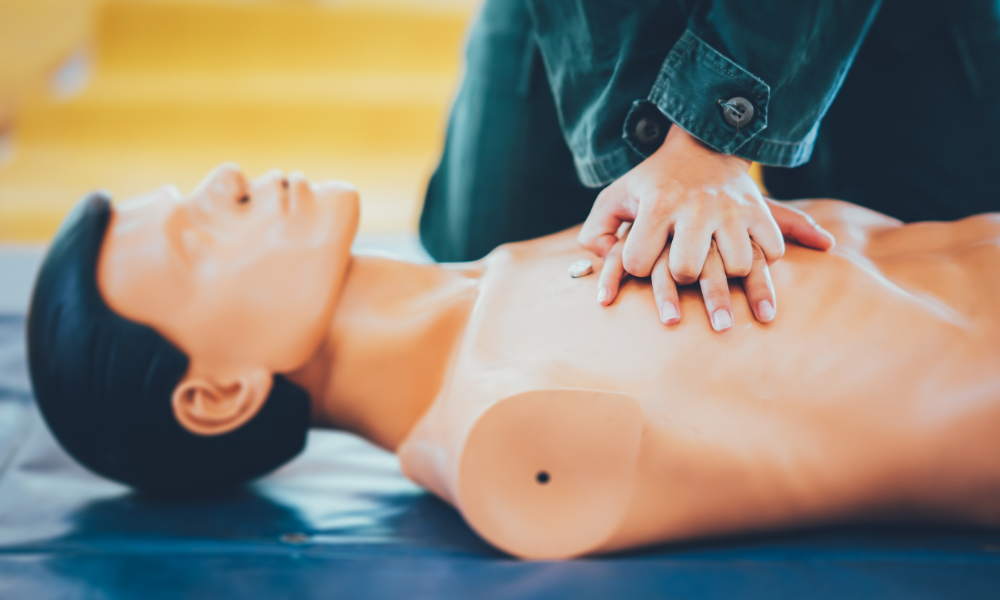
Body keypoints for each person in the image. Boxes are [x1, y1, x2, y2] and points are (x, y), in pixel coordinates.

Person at [27, 165, 1000, 558]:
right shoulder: (511, 440)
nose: (223, 181)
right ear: (218, 394)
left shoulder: (493, 281)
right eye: (193, 240)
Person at [420, 0, 1000, 331]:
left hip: (888, 21)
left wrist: (708, 139)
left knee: (938, 305)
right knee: (496, 267)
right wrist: (659, 167)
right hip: (580, 22)